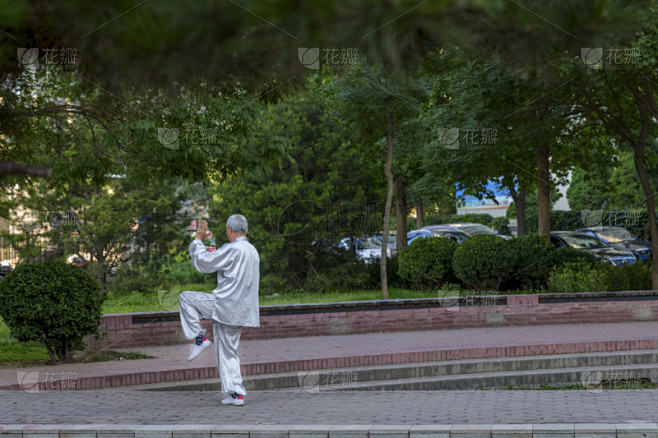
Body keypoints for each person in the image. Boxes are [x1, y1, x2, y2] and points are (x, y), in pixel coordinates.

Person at [178, 214, 260, 407]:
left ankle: (199, 338)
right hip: (242, 310)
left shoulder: (233, 249)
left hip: (225, 305)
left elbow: (204, 263)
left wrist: (198, 240)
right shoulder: (252, 251)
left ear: (229, 230)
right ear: (245, 230)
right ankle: (235, 394)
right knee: (228, 352)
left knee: (185, 298)